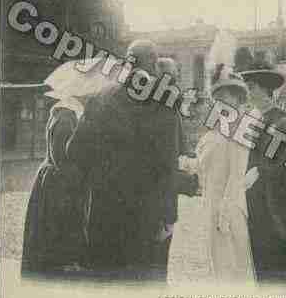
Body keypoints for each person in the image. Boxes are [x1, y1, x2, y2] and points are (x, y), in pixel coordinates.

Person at [66, 40, 193, 281]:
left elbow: (74, 151)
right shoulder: (163, 103)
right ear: (154, 64)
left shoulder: (100, 97)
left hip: (103, 215)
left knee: (105, 290)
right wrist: (168, 216)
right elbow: (168, 166)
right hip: (146, 218)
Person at [180, 63, 257, 285]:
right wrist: (184, 163)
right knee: (218, 266)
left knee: (231, 270)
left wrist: (225, 214)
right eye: (218, 97)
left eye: (227, 97)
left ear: (238, 99)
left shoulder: (240, 129)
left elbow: (236, 175)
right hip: (211, 204)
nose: (221, 102)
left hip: (229, 207)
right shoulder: (217, 131)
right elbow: (205, 166)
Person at [239, 60, 286, 285]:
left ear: (265, 90)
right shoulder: (248, 119)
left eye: (252, 86)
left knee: (278, 270)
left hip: (276, 203)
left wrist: (257, 171)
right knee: (258, 265)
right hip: (252, 202)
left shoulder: (283, 121)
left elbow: (283, 162)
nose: (248, 91)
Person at [21, 91, 89, 278]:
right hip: (58, 183)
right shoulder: (66, 118)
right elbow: (61, 157)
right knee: (57, 227)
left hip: (52, 179)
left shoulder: (60, 113)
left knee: (47, 229)